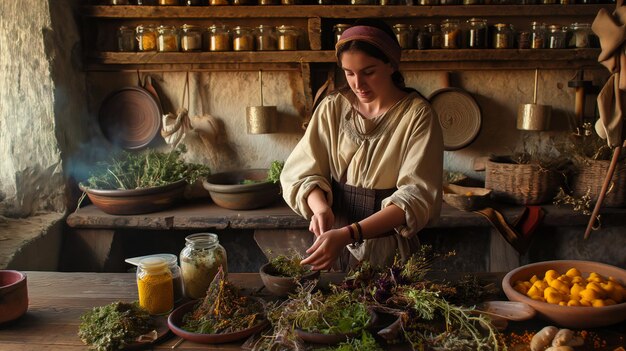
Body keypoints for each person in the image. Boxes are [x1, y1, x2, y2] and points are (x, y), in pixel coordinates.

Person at [279, 19, 443, 271]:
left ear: (390, 65)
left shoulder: (417, 115)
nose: (358, 84)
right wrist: (320, 209)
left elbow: (416, 196)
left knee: (388, 301)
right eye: (349, 73)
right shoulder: (333, 108)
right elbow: (302, 172)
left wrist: (349, 234)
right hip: (331, 246)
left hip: (386, 248)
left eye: (369, 72)